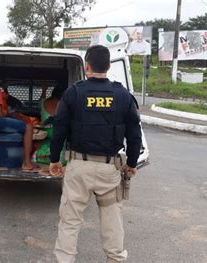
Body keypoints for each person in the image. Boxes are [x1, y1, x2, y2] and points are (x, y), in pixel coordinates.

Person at [49, 45, 142, 262]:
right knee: (112, 219)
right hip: (109, 169)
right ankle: (115, 258)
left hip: (78, 167)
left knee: (70, 219)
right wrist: (132, 163)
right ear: (109, 67)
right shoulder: (123, 95)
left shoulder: (73, 92)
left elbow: (59, 130)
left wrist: (55, 160)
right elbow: (134, 135)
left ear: (86, 66)